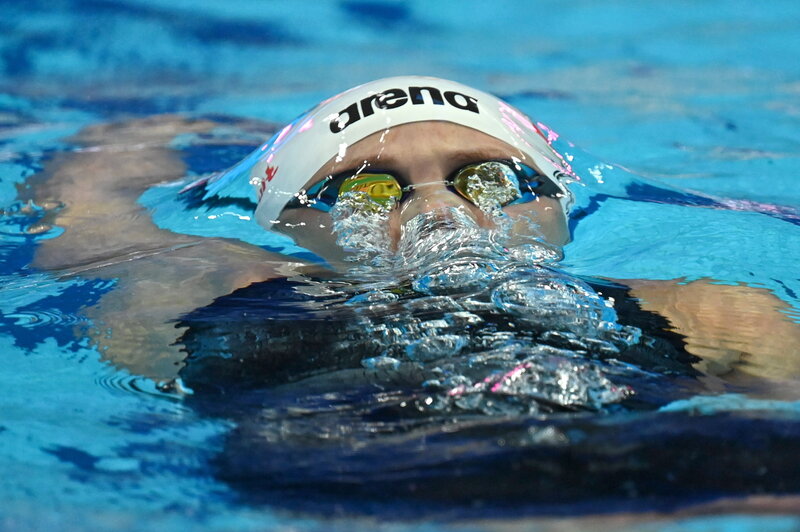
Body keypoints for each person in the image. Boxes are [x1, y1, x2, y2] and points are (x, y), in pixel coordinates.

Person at [28, 76, 800, 388]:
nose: (440, 214)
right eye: (365, 189)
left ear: (564, 207)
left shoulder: (708, 314)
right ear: (289, 224)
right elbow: (90, 221)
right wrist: (142, 128)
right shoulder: (203, 292)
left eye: (492, 179)